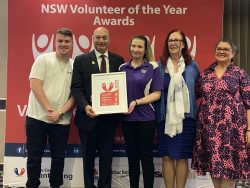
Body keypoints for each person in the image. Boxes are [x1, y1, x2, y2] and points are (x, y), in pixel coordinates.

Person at [191, 39, 250, 188]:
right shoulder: (205, 74)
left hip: (232, 131)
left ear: (233, 53)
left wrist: (249, 129)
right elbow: (195, 94)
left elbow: (248, 104)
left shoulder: (239, 74)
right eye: (219, 48)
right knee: (213, 166)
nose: (221, 51)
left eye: (225, 49)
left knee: (229, 170)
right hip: (208, 129)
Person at [71, 27, 124, 188]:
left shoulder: (118, 60)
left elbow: (121, 87)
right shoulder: (81, 60)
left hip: (109, 120)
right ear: (92, 38)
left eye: (104, 38)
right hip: (87, 118)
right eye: (98, 37)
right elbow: (76, 88)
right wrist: (85, 106)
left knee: (106, 159)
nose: (101, 40)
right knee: (87, 158)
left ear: (109, 39)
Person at [25, 28, 75, 188]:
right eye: (60, 41)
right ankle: (32, 185)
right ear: (55, 42)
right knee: (34, 157)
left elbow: (75, 94)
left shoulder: (75, 66)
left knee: (59, 158)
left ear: (72, 43)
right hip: (37, 118)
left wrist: (59, 112)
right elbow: (35, 85)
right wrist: (50, 110)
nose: (63, 44)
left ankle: (55, 185)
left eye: (67, 41)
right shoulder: (43, 59)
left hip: (61, 120)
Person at [155, 29, 200, 188]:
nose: (173, 43)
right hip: (164, 118)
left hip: (186, 118)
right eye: (170, 40)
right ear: (167, 44)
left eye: (177, 40)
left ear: (183, 44)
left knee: (182, 157)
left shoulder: (192, 65)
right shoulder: (159, 65)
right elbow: (154, 91)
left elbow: (199, 89)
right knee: (167, 157)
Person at [119, 35, 163, 188]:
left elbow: (157, 94)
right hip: (127, 119)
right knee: (132, 158)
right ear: (130, 47)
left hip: (146, 119)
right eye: (133, 46)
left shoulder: (152, 67)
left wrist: (136, 102)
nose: (136, 49)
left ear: (145, 50)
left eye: (140, 47)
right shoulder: (122, 68)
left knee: (146, 157)